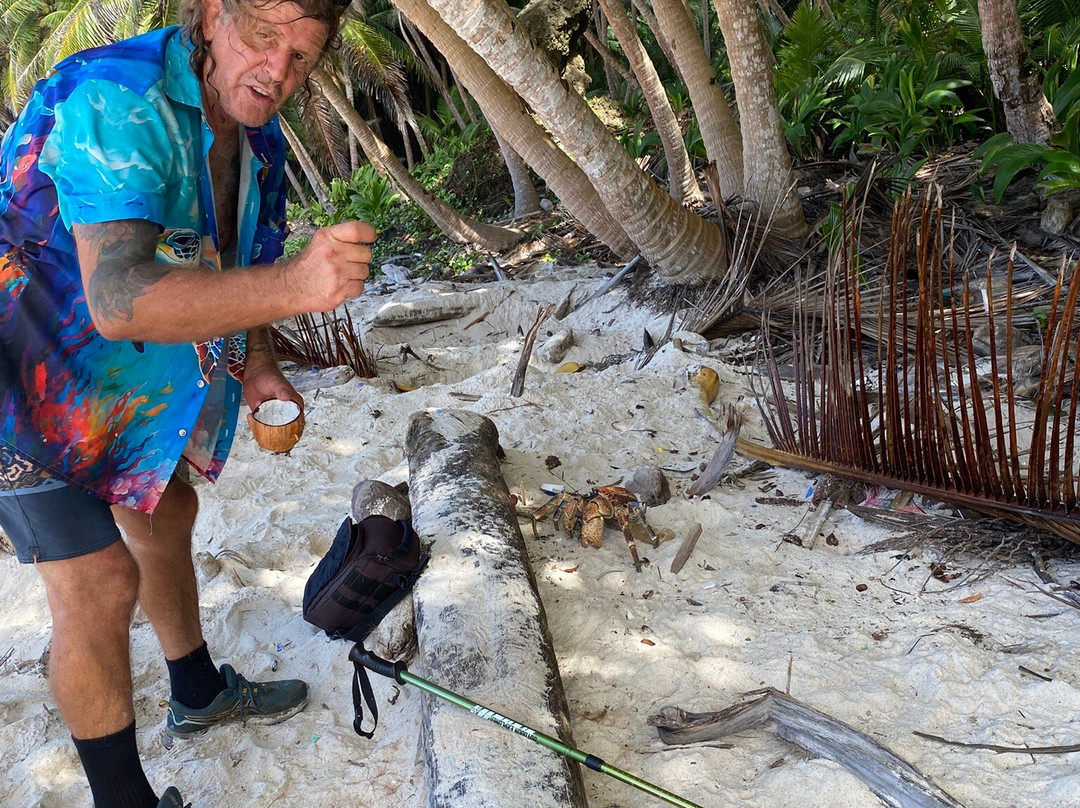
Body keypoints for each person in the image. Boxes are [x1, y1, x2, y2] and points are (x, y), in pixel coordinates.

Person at [0, 1, 372, 805]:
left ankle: (196, 692)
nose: (278, 71)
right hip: (19, 367)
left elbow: (238, 260)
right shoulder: (115, 95)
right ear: (212, 16)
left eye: (302, 56)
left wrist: (260, 365)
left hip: (113, 373)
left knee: (165, 513)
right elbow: (122, 297)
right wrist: (304, 285)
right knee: (98, 582)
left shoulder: (256, 130)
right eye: (263, 38)